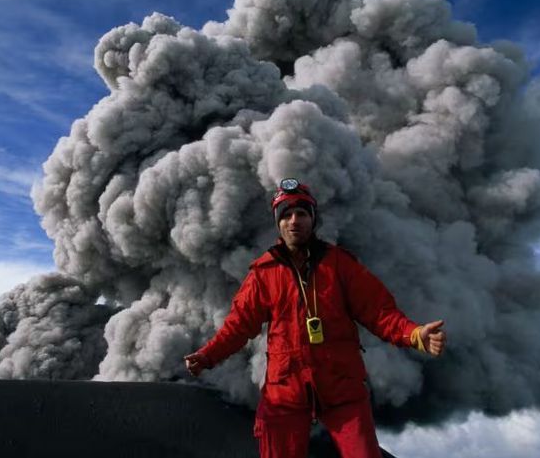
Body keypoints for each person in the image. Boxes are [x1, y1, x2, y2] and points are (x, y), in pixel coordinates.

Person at [184, 178, 446, 458]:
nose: (294, 220)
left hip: (341, 388)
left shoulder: (339, 265)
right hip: (285, 392)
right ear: (278, 223)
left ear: (313, 219)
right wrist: (207, 356)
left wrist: (414, 334)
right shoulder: (263, 274)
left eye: (302, 213)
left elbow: (379, 312)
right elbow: (238, 326)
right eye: (286, 215)